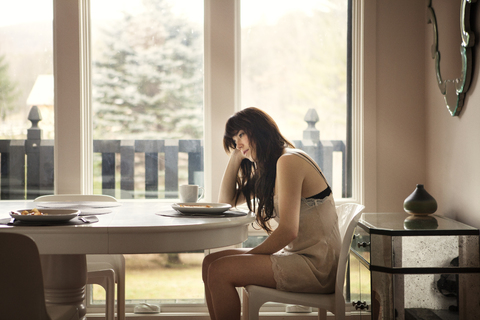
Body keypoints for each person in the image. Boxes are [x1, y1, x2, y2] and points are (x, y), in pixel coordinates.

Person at [202, 107, 341, 320]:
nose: (237, 143)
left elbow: (288, 231)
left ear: (258, 130)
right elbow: (226, 202)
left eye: (241, 134)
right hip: (297, 257)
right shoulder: (270, 169)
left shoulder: (289, 160)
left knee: (221, 270)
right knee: (210, 263)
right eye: (233, 139)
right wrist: (235, 158)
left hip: (316, 267)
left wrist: (248, 257)